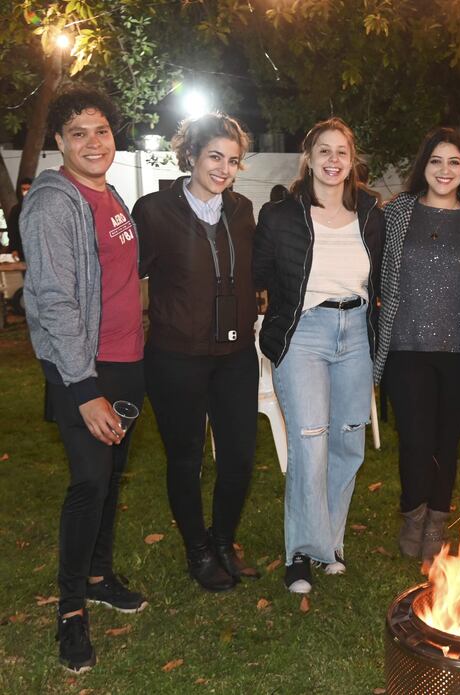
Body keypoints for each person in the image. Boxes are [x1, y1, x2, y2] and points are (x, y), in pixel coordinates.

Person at [21, 87, 146, 673]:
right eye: (78, 134)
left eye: (101, 131)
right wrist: (84, 389)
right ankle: (71, 611)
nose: (94, 143)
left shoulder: (111, 194)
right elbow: (54, 299)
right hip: (85, 368)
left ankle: (98, 577)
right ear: (59, 142)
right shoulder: (53, 203)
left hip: (127, 361)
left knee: (112, 478)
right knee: (89, 484)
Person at [252, 117, 384, 594]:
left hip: (356, 334)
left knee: (348, 442)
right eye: (323, 151)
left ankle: (332, 542)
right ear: (308, 158)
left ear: (352, 160)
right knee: (309, 443)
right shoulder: (280, 215)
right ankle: (301, 553)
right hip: (304, 333)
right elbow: (260, 275)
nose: (333, 160)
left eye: (341, 152)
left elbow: (381, 275)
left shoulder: (371, 213)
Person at [132, 113, 260, 593]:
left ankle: (224, 541)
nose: (224, 169)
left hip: (235, 356)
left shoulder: (242, 210)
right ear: (190, 155)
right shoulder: (153, 210)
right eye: (215, 157)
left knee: (239, 457)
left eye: (233, 160)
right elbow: (128, 276)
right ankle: (198, 550)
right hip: (176, 356)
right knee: (186, 459)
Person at [374, 127, 460, 563]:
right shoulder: (397, 213)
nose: (444, 170)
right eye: (436, 161)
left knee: (447, 442)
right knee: (414, 439)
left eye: (454, 162)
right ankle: (413, 515)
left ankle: (436, 521)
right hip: (405, 346)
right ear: (423, 166)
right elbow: (377, 268)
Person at [7, 176, 33, 261]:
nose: (26, 192)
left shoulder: (40, 207)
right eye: (23, 189)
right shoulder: (16, 210)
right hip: (21, 250)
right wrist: (14, 249)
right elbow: (12, 231)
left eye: (28, 189)